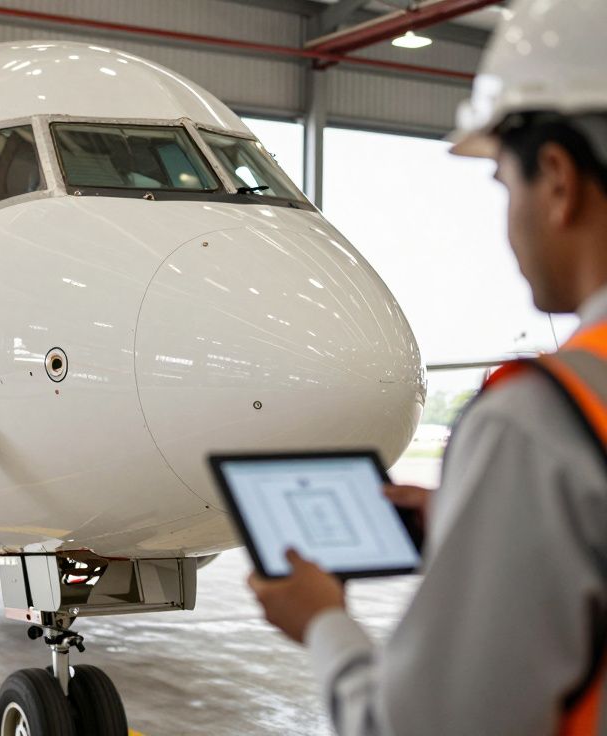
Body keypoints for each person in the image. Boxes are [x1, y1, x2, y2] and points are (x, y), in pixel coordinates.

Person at [247, 1, 607, 733]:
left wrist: (322, 622)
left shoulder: (538, 422)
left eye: (504, 181)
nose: (508, 217)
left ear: (560, 180)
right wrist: (472, 520)